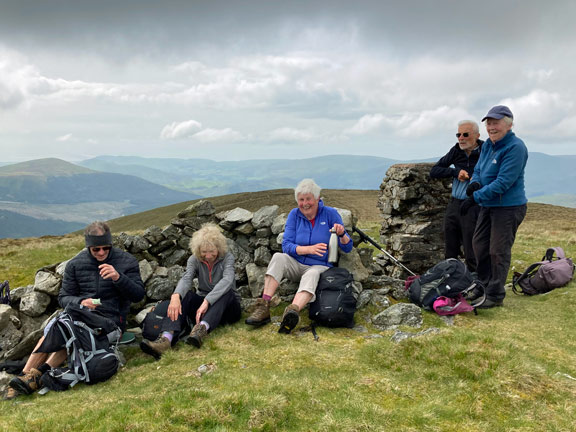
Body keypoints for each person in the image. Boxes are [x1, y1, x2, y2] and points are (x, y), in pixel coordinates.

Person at [5, 221, 145, 399]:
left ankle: (34, 375)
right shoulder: (75, 265)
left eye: (105, 248)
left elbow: (138, 295)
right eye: (96, 249)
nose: (101, 252)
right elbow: (64, 297)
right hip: (80, 316)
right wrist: (81, 302)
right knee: (65, 326)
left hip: (110, 322)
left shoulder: (126, 261)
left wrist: (119, 277)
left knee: (67, 328)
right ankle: (27, 377)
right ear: (88, 247)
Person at [245, 178, 353, 334]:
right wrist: (308, 249)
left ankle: (292, 311)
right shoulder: (294, 215)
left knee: (312, 273)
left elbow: (348, 247)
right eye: (301, 200)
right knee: (278, 257)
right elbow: (286, 246)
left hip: (320, 265)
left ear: (317, 199)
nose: (305, 203)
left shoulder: (330, 214)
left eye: (308, 199)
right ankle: (263, 308)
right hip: (296, 263)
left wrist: (342, 233)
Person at [140, 223, 241, 359]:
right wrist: (176, 296)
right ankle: (166, 340)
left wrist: (207, 301)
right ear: (198, 250)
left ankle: (201, 330)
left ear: (219, 248)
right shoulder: (194, 260)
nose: (208, 256)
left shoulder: (227, 258)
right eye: (204, 252)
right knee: (185, 296)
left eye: (212, 251)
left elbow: (228, 280)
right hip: (203, 309)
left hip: (228, 309)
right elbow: (187, 278)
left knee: (226, 292)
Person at [461, 105, 528, 308]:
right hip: (489, 205)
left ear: (508, 124)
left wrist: (475, 197)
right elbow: (480, 169)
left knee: (498, 250)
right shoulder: (489, 145)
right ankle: (483, 286)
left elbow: (503, 182)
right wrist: (475, 183)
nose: (491, 127)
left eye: (496, 122)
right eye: (489, 123)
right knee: (479, 245)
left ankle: (495, 295)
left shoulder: (515, 147)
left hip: (508, 207)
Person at [430, 120, 483, 272]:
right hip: (454, 204)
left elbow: (492, 174)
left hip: (474, 204)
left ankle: (476, 281)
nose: (461, 138)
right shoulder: (456, 150)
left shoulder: (485, 151)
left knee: (470, 246)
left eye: (465, 134)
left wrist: (473, 177)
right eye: (458, 134)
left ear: (477, 135)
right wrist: (455, 172)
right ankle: (451, 279)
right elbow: (435, 171)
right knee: (450, 244)